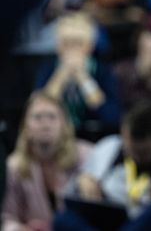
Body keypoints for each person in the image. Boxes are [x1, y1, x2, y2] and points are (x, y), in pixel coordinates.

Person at [53, 102, 151, 231]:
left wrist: (149, 205)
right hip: (114, 223)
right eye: (131, 151)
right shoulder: (110, 146)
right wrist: (82, 182)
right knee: (62, 220)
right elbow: (71, 196)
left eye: (144, 153)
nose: (136, 158)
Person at [2, 92, 93, 231]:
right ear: (26, 126)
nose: (45, 124)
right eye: (37, 117)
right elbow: (7, 218)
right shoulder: (14, 166)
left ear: (64, 124)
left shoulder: (87, 156)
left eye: (52, 117)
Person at [34, 12, 122, 137]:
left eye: (78, 43)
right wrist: (60, 76)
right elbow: (39, 109)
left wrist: (84, 79)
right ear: (58, 46)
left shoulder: (102, 71)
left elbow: (111, 117)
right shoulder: (48, 70)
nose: (72, 49)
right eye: (66, 43)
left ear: (90, 46)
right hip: (55, 137)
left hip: (94, 136)